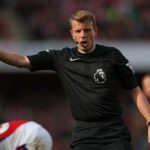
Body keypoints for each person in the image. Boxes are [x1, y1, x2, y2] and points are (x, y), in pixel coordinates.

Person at [0, 10, 150, 150]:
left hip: (114, 133)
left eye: (87, 30)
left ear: (95, 31)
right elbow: (22, 60)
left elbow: (134, 90)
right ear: (72, 34)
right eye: (78, 31)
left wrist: (149, 120)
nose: (83, 35)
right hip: (84, 135)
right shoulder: (61, 58)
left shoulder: (113, 56)